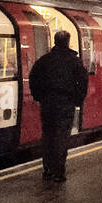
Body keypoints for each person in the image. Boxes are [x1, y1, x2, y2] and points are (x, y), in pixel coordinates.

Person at [27, 30, 88, 184]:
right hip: (65, 104)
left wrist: (38, 96)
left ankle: (47, 170)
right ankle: (58, 173)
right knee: (61, 137)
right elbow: (83, 82)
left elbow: (33, 77)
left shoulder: (44, 60)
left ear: (55, 42)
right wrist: (77, 100)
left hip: (47, 104)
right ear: (68, 42)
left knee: (48, 136)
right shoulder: (74, 61)